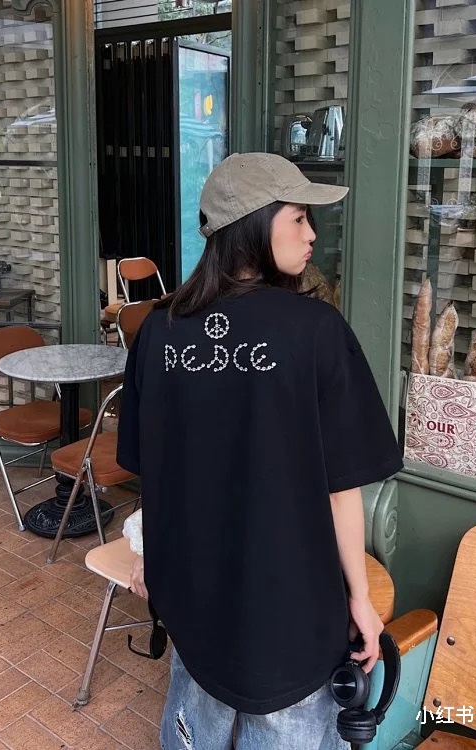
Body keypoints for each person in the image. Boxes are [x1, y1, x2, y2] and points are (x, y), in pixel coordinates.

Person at [118, 152, 403, 750]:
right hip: (288, 613)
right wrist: (360, 598)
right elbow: (341, 488)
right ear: (252, 224)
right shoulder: (315, 330)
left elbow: (153, 469)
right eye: (298, 218)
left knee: (193, 730)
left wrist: (150, 554)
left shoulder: (158, 330)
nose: (311, 234)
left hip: (192, 600)